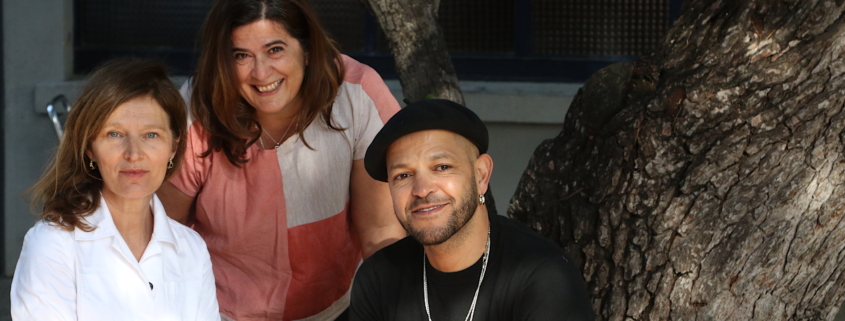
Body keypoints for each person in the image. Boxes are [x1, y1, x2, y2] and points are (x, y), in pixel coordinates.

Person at [155, 0, 406, 319]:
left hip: (336, 309)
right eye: (241, 55)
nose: (261, 73)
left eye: (275, 50)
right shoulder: (199, 103)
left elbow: (380, 231)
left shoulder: (356, 91)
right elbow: (166, 234)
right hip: (219, 311)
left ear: (308, 50)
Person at [11, 58, 220, 320]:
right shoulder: (53, 244)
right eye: (114, 134)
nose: (134, 154)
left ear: (174, 147)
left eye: (151, 135)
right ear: (89, 147)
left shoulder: (192, 249)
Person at [351, 99, 595, 321]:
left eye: (442, 167)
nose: (422, 190)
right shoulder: (379, 279)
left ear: (481, 175)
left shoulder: (542, 277)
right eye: (403, 175)